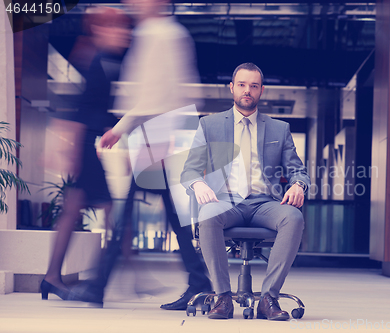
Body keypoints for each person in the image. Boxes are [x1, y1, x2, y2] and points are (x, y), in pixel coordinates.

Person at [83, 0, 212, 309]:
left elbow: (158, 94)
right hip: (155, 135)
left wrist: (122, 128)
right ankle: (199, 280)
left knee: (129, 211)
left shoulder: (160, 34)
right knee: (166, 214)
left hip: (157, 136)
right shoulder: (160, 32)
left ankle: (99, 285)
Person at [181, 62, 310, 320]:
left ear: (262, 90)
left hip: (265, 203)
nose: (247, 91)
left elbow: (298, 169)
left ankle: (269, 298)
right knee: (208, 214)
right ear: (232, 88)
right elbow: (189, 170)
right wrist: (198, 184)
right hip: (225, 201)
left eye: (253, 86)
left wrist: (298, 184)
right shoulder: (210, 125)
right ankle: (223, 298)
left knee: (293, 217)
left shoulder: (279, 129)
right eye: (241, 85)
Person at [40, 7, 130, 300]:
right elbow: (80, 110)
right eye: (118, 28)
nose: (124, 34)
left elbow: (95, 109)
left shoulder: (101, 60)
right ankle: (109, 278)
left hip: (89, 144)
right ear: (101, 29)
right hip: (85, 147)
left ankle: (52, 277)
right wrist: (71, 151)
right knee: (110, 210)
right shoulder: (97, 60)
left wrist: (114, 129)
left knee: (73, 211)